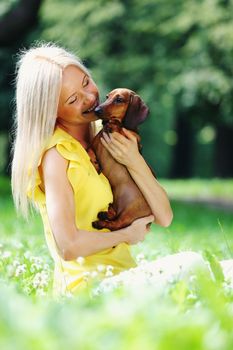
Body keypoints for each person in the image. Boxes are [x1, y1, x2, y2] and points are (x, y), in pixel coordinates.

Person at [11, 42, 192, 297]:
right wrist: (127, 234)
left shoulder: (107, 139)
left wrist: (133, 160)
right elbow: (68, 246)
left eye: (86, 82)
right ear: (51, 112)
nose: (90, 97)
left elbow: (164, 217)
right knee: (194, 265)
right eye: (73, 99)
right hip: (88, 288)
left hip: (125, 277)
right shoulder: (56, 155)